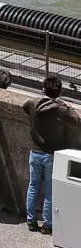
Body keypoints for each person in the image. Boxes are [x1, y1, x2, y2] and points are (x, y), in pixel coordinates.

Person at [24, 76, 79, 234]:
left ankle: (31, 220)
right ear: (60, 92)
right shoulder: (62, 109)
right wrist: (69, 107)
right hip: (52, 154)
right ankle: (47, 224)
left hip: (35, 151)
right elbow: (77, 121)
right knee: (50, 190)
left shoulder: (34, 103)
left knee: (33, 186)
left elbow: (24, 107)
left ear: (43, 89)